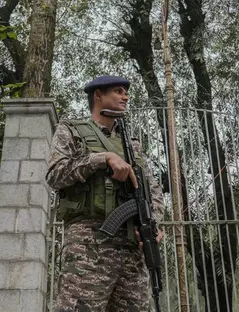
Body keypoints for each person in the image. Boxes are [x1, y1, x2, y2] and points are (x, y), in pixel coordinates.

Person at [46, 75, 165, 312]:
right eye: (118, 91)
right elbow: (55, 174)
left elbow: (153, 191)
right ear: (98, 95)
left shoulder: (132, 144)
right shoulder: (71, 130)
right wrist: (102, 159)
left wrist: (154, 225)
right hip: (89, 245)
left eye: (125, 92)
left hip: (132, 248)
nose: (126, 96)